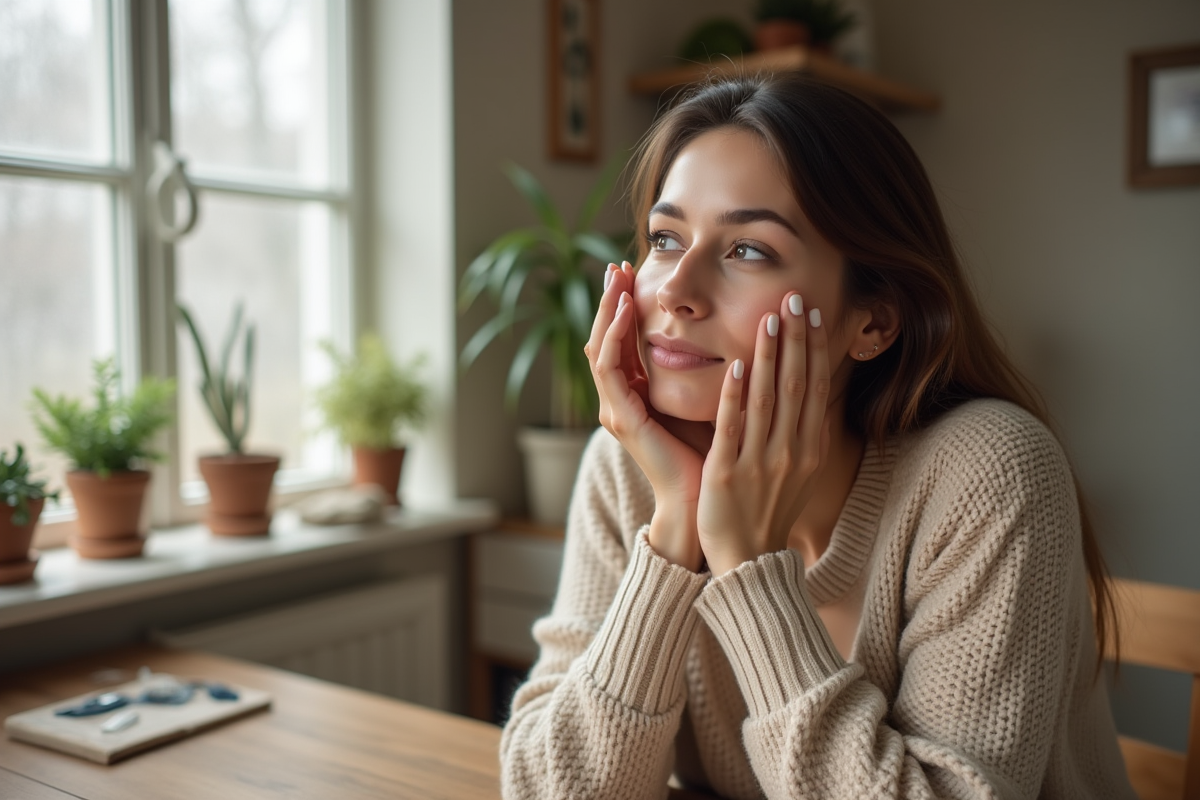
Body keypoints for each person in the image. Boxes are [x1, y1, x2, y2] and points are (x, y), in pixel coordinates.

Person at [499, 75, 1135, 800]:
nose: (675, 290)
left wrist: (745, 565)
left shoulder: (989, 472)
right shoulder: (629, 467)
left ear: (873, 321)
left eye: (748, 251)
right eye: (666, 239)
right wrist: (676, 529)